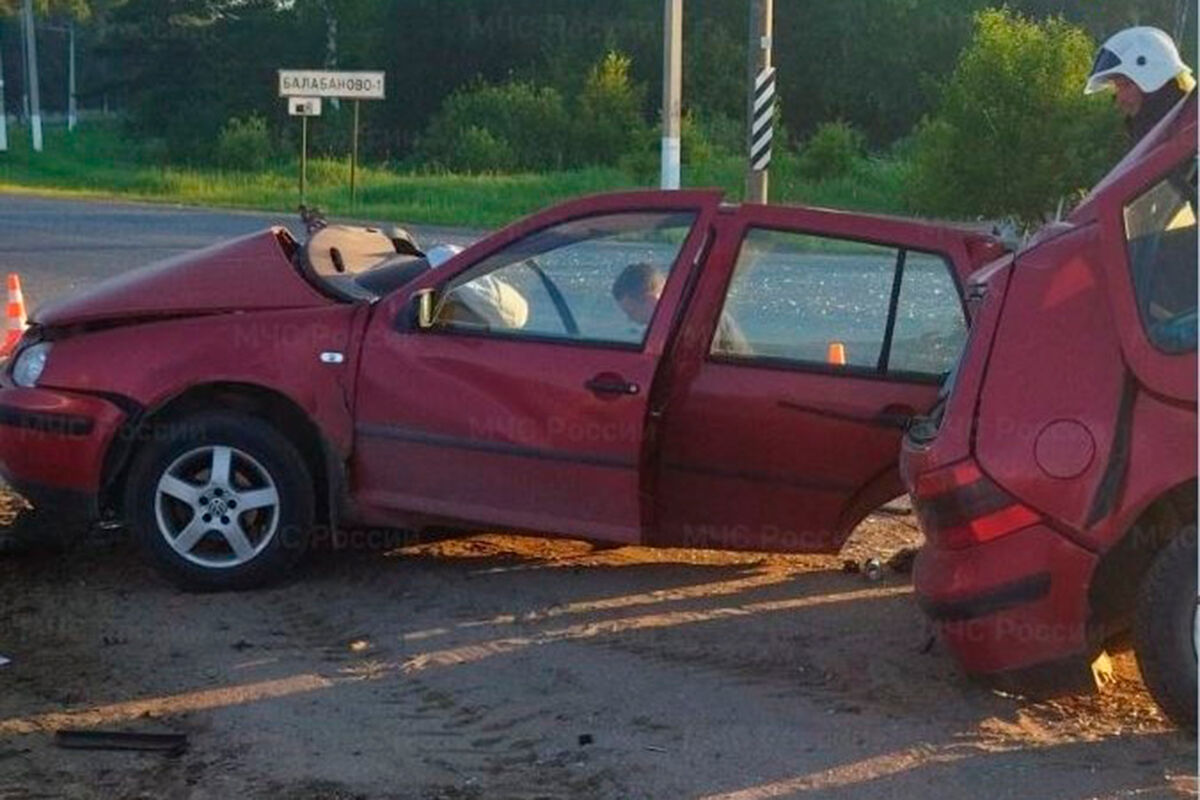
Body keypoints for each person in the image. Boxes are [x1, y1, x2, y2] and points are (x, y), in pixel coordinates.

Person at [1085, 26, 1195, 144]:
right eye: (1117, 88)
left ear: (1154, 81)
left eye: (1126, 85)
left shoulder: (1188, 137)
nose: (1119, 100)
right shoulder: (1168, 138)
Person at [612, 263, 752, 354]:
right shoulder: (682, 313)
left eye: (632, 312)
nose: (630, 319)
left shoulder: (694, 320)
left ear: (651, 300)